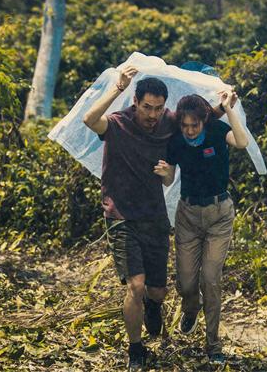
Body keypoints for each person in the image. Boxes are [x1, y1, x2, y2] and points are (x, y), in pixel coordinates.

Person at [82, 67, 225, 371]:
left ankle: (153, 305)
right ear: (135, 102)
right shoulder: (118, 124)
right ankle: (136, 351)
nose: (153, 114)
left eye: (159, 108)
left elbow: (199, 116)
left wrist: (225, 105)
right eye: (147, 107)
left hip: (154, 216)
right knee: (136, 284)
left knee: (157, 290)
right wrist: (115, 89)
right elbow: (89, 120)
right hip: (120, 214)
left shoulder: (168, 122)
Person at [153, 90, 248, 365]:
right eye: (185, 126)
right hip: (188, 215)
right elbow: (169, 178)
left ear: (204, 121)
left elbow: (241, 142)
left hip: (219, 213)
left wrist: (229, 108)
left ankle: (213, 344)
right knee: (185, 280)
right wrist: (164, 173)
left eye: (195, 125)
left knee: (211, 278)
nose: (190, 131)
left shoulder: (218, 130)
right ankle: (190, 309)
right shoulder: (176, 142)